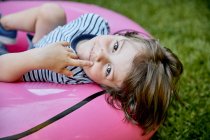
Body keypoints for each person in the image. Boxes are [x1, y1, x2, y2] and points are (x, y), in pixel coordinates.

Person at [0, 3, 183, 133]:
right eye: (115, 47)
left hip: (22, 65)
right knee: (52, 12)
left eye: (108, 70)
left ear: (108, 88)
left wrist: (39, 57)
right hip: (42, 43)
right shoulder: (95, 24)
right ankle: (5, 25)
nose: (101, 54)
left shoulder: (72, 72)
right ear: (124, 35)